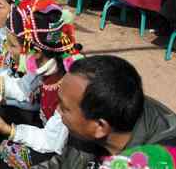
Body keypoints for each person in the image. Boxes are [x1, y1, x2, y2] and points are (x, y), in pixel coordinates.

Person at [0, 0, 80, 169]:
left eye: (12, 45)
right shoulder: (44, 66)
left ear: (36, 52)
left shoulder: (67, 90)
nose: (7, 49)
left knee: (4, 156)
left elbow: (52, 142)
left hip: (60, 153)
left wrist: (7, 130)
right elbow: (22, 88)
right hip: (45, 134)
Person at [34, 55, 176, 169]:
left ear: (100, 127)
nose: (58, 110)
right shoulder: (99, 110)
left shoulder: (159, 161)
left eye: (65, 108)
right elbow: (64, 163)